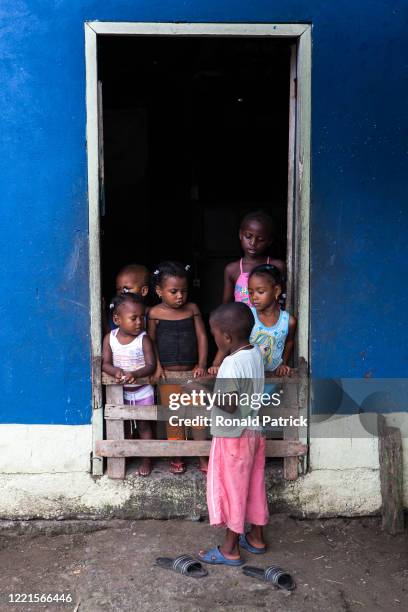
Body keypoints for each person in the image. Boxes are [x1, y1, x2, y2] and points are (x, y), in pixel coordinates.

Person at [197, 303, 269, 565]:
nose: (215, 339)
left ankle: (230, 549)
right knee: (253, 485)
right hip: (254, 433)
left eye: (214, 334)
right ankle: (256, 538)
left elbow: (229, 404)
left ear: (226, 336)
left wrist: (204, 391)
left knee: (234, 490)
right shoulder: (255, 354)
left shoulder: (230, 363)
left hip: (232, 438)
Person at [148, 261, 208, 474]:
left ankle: (203, 456)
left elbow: (202, 336)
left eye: (183, 291)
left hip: (192, 371)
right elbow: (151, 342)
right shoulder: (154, 313)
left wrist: (201, 364)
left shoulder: (192, 309)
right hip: (168, 374)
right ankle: (177, 456)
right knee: (174, 417)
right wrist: (156, 367)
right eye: (173, 291)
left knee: (198, 416)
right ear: (159, 291)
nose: (180, 296)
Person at [209, 210, 285, 374]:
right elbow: (226, 304)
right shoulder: (233, 269)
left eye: (260, 239)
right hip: (241, 331)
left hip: (268, 331)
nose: (253, 243)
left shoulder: (277, 266)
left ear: (270, 241)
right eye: (248, 236)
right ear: (240, 235)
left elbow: (283, 300)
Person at [102, 293, 156, 476]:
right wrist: (115, 371)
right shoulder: (110, 338)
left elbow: (151, 365)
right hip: (120, 393)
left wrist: (136, 374)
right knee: (123, 426)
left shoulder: (144, 339)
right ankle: (126, 454)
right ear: (117, 319)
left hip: (142, 391)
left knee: (143, 426)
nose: (139, 322)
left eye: (142, 317)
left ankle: (147, 458)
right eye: (134, 318)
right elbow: (105, 363)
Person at [248, 264, 296, 377]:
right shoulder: (248, 315)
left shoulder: (288, 321)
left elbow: (289, 342)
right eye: (250, 292)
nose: (254, 297)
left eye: (260, 292)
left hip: (274, 377)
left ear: (276, 291)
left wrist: (283, 363)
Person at [102, 264, 150, 335]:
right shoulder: (118, 313)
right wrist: (103, 315)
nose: (122, 292)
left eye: (126, 289)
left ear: (143, 291)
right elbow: (112, 338)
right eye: (118, 289)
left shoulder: (152, 314)